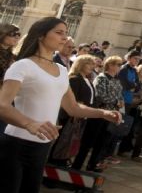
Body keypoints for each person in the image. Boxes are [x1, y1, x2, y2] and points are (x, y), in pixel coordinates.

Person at [0, 17, 120, 193]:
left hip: (42, 146)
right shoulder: (22, 65)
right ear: (41, 36)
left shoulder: (62, 70)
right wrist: (30, 123)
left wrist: (102, 112)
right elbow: (3, 105)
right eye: (59, 32)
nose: (65, 37)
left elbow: (73, 108)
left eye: (66, 33)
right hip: (16, 144)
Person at [0, 23, 19, 132]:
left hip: (6, 100)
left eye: (18, 34)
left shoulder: (13, 57)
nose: (17, 36)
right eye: (13, 34)